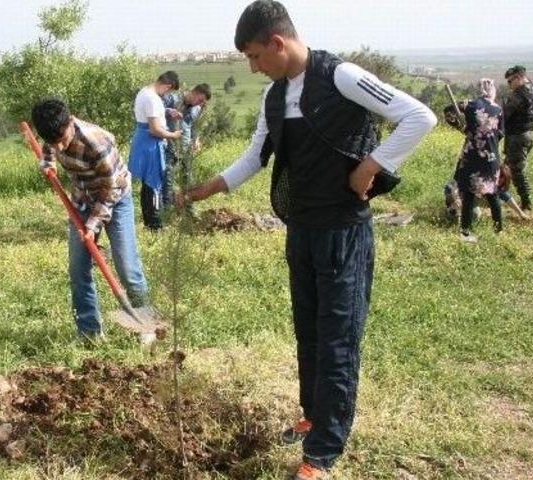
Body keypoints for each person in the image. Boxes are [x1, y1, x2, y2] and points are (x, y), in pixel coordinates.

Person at [176, 2, 436, 477]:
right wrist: (205, 189)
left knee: (338, 337)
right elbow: (256, 156)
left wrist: (372, 166)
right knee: (309, 331)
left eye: (255, 56)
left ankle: (323, 450)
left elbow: (418, 117)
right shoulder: (275, 97)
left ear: (277, 43)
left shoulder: (341, 76)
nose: (253, 68)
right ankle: (313, 416)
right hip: (301, 229)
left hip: (342, 230)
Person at [31, 98, 154, 344]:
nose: (59, 145)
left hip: (115, 199)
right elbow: (49, 147)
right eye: (53, 141)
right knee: (78, 270)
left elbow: (110, 190)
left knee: (127, 268)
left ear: (70, 122)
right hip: (82, 200)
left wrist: (92, 225)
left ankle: (147, 326)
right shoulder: (53, 133)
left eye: (62, 138)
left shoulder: (97, 143)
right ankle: (89, 333)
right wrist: (48, 162)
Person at [451, 78, 505, 242]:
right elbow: (501, 133)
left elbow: (450, 109)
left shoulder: (470, 105)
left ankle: (465, 231)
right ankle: (498, 230)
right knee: (492, 194)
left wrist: (463, 128)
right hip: (491, 157)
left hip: (472, 157)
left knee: (469, 195)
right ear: (492, 90)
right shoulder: (498, 109)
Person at [127, 71, 182, 230]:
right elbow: (155, 129)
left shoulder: (145, 92)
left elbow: (151, 113)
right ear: (168, 86)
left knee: (147, 184)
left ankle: (149, 222)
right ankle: (156, 224)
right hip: (150, 144)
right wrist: (173, 135)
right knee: (153, 183)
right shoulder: (152, 98)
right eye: (169, 91)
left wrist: (167, 111)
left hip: (143, 141)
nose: (167, 94)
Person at [503, 65, 533, 212]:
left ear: (519, 77)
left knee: (516, 171)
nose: (509, 85)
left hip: (517, 137)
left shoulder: (517, 96)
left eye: (510, 81)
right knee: (508, 166)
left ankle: (526, 203)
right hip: (531, 134)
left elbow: (505, 116)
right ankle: (500, 195)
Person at [162, 83, 212, 211]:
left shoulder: (196, 109)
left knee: (188, 179)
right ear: (194, 92)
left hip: (186, 149)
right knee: (168, 178)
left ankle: (188, 209)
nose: (199, 103)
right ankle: (167, 210)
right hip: (169, 146)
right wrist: (169, 111)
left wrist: (196, 139)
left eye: (202, 102)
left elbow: (194, 126)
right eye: (199, 100)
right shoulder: (173, 98)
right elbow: (155, 110)